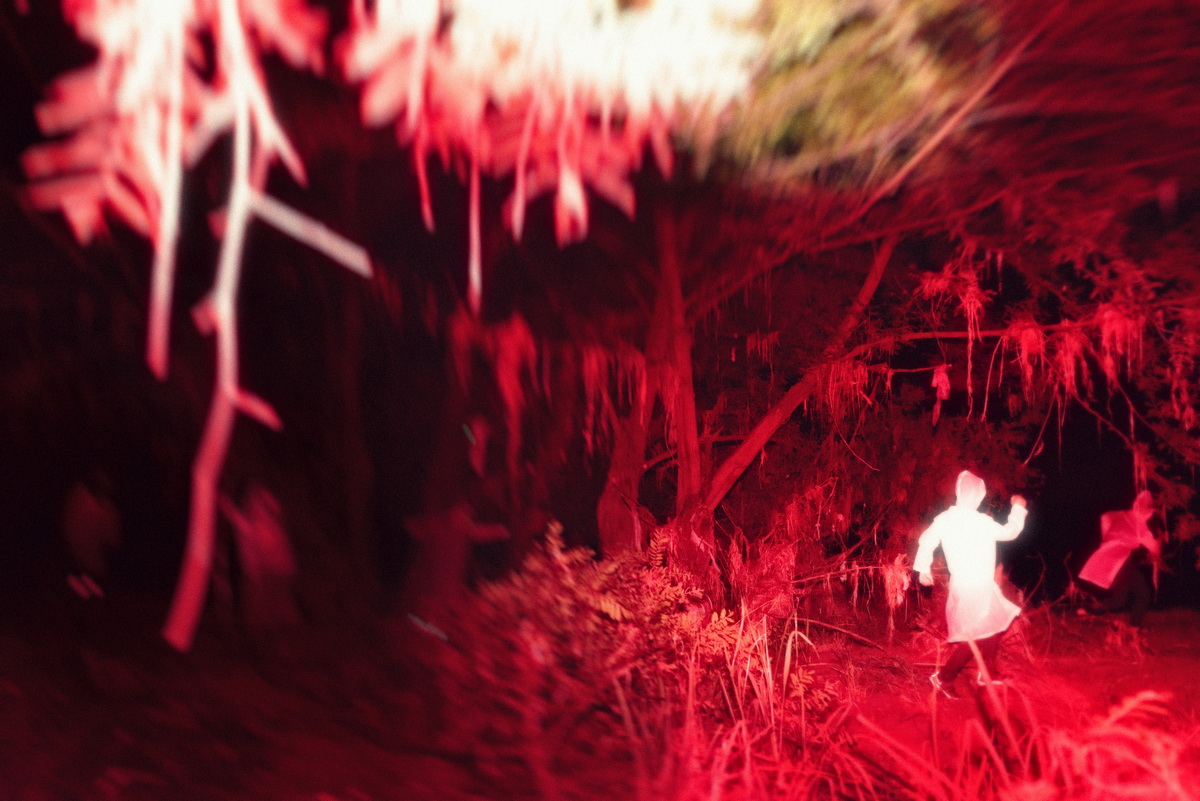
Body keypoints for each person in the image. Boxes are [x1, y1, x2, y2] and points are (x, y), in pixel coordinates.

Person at [914, 470, 1027, 699]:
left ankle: (988, 673)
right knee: (977, 635)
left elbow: (926, 541)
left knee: (992, 626)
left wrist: (923, 568)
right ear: (978, 496)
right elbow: (1010, 532)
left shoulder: (949, 519)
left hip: (977, 586)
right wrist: (1018, 508)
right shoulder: (979, 521)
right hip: (971, 587)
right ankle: (944, 677)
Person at [1077, 490, 1159, 629]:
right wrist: (1160, 545)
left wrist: (1106, 537)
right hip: (1119, 559)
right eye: (1150, 511)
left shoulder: (1122, 514)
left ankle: (1087, 610)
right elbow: (1154, 547)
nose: (1150, 514)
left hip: (1108, 556)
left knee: (1120, 599)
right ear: (1146, 510)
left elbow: (1105, 517)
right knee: (1143, 593)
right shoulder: (1139, 524)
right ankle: (1134, 627)